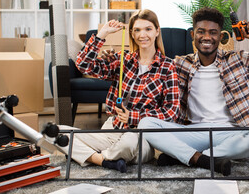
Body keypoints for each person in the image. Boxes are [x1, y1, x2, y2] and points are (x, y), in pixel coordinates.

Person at [137, 7, 249, 176]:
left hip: (229, 133)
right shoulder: (180, 64)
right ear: (192, 35)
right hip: (193, 132)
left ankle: (190, 157)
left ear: (221, 36)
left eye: (213, 32)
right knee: (146, 124)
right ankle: (201, 158)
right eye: (201, 32)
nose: (206, 37)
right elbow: (148, 71)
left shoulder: (239, 60)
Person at [58, 9, 180, 173]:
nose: (142, 34)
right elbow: (83, 65)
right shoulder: (123, 60)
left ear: (157, 31)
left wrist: (134, 116)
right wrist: (102, 34)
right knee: (56, 133)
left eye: (148, 29)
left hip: (140, 134)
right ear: (132, 33)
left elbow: (172, 111)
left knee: (128, 145)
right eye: (137, 30)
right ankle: (104, 160)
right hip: (113, 129)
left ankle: (88, 155)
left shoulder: (168, 66)